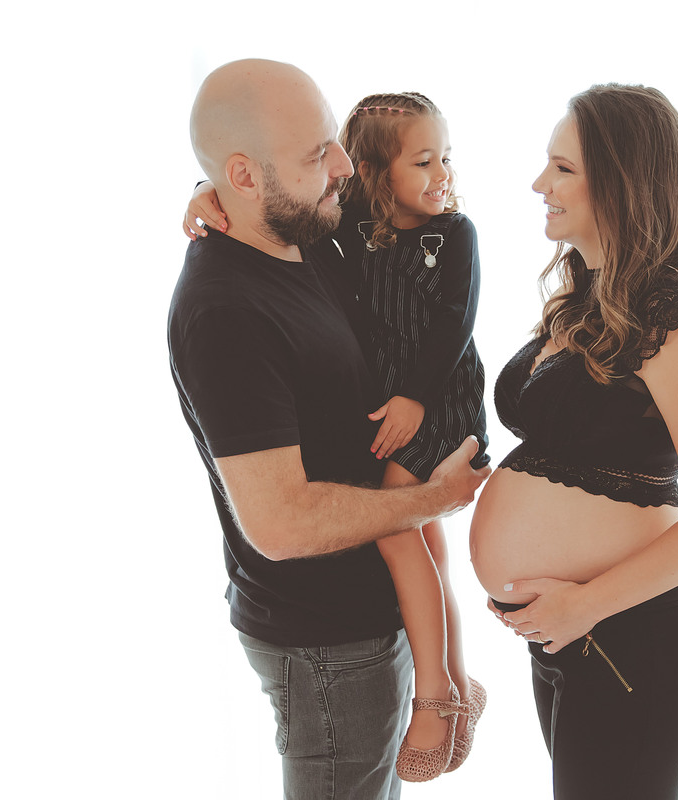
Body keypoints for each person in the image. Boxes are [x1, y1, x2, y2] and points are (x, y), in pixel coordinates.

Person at [168, 59, 490, 800]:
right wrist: (432, 500)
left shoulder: (306, 231)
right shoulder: (225, 311)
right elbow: (280, 524)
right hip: (328, 646)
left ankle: (450, 685)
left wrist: (203, 188)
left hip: (370, 620)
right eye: (319, 152)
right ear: (245, 177)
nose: (344, 166)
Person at [470, 84, 678, 799]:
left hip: (639, 639)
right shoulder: (589, 298)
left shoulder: (671, 318)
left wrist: (584, 604)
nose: (540, 184)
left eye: (563, 168)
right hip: (578, 634)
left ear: (623, 184)